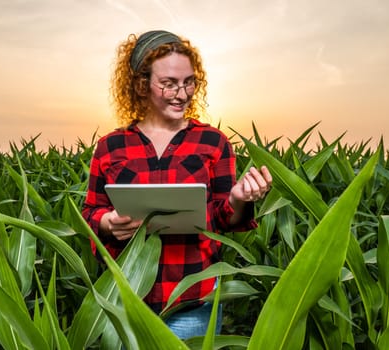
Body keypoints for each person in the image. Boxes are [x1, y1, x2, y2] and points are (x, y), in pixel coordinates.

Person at [82, 29, 272, 339]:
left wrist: (239, 198)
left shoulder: (213, 142)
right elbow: (90, 211)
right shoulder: (110, 147)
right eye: (168, 83)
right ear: (142, 85)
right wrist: (105, 223)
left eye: (188, 82)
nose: (181, 93)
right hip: (125, 302)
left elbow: (227, 219)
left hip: (192, 303)